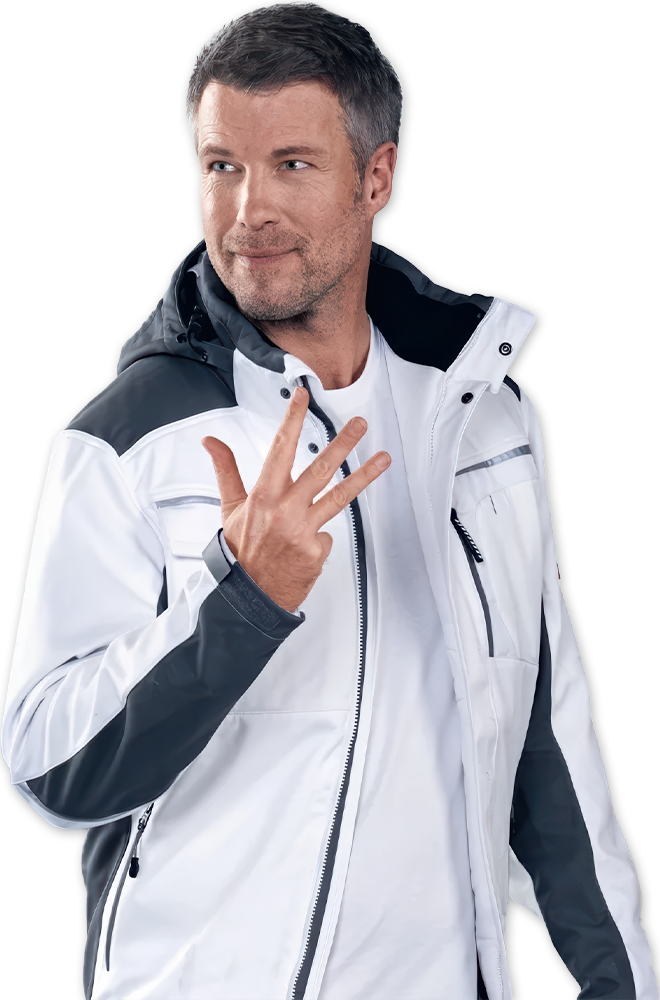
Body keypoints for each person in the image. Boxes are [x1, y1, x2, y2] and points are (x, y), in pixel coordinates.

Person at [2, 3, 656, 998]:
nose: (247, 211)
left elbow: (544, 734)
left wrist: (620, 979)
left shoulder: (484, 420)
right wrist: (241, 603)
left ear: (376, 176)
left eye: (293, 165)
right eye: (223, 166)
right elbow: (54, 767)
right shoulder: (132, 438)